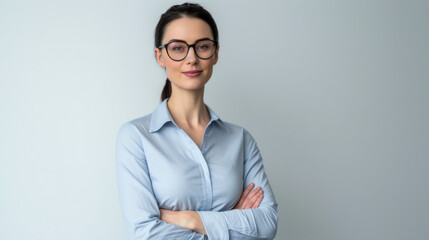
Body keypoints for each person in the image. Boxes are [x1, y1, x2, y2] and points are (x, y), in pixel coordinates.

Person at [115, 3, 278, 239]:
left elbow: (267, 224)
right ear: (160, 56)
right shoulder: (135, 138)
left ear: (215, 54)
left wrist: (190, 219)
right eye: (178, 48)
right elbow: (145, 234)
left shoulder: (240, 140)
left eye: (202, 46)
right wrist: (232, 222)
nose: (191, 58)